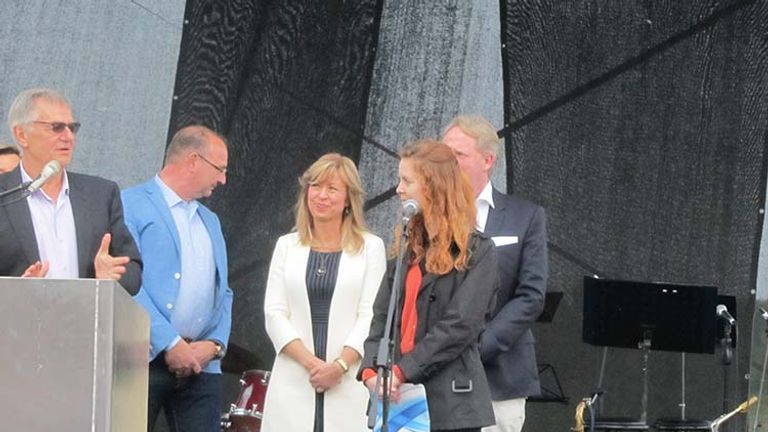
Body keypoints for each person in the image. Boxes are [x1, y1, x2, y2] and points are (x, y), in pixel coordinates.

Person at [360, 139, 499, 432]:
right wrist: (372, 369)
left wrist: (402, 371)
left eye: (406, 181)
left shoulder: (477, 251)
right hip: (398, 401)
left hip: (451, 406)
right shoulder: (408, 250)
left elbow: (460, 325)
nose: (398, 189)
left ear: (433, 186)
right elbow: (381, 318)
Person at [262, 153, 386, 432]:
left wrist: (339, 365)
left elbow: (370, 315)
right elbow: (274, 313)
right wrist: (312, 364)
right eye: (315, 186)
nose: (322, 195)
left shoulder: (371, 247)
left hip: (349, 380)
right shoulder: (287, 245)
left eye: (332, 189)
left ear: (348, 199)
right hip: (294, 379)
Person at [121, 125, 234, 432]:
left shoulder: (210, 220)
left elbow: (223, 291)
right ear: (193, 160)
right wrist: (169, 342)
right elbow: (125, 284)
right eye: (220, 169)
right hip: (143, 360)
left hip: (202, 365)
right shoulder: (130, 204)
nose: (223, 179)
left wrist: (215, 344)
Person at [442, 115, 548, 432]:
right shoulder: (430, 216)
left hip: (500, 376)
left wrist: (477, 347)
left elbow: (531, 295)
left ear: (487, 160)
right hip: (436, 375)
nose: (448, 163)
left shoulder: (526, 216)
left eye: (458, 155)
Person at [0, 88, 141, 293]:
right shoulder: (5, 195)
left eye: (72, 127)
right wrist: (15, 289)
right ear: (21, 135)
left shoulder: (100, 194)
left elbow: (132, 269)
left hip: (84, 323)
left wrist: (111, 276)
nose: (68, 137)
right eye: (56, 127)